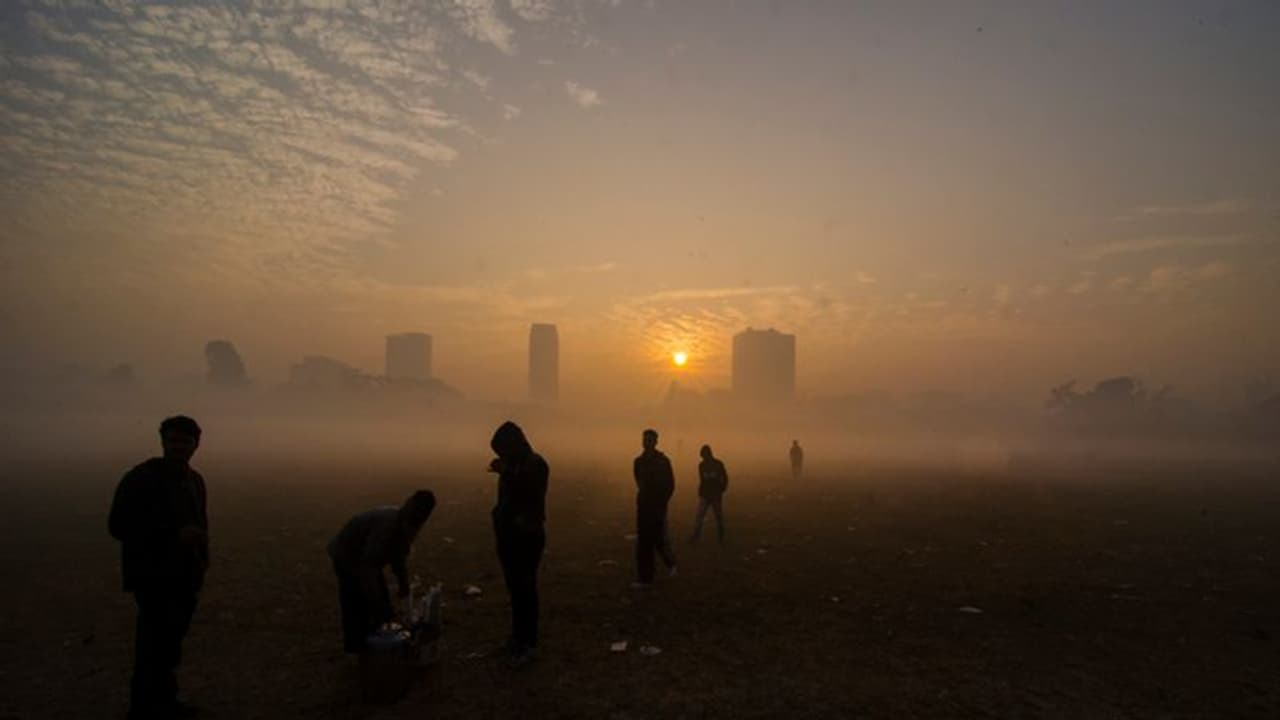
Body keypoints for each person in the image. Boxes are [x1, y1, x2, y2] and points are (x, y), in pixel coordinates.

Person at [108, 415, 209, 720]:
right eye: (174, 440)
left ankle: (165, 702)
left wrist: (201, 563)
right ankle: (143, 708)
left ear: (196, 445)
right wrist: (172, 535)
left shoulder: (194, 480)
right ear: (163, 442)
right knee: (153, 643)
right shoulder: (142, 478)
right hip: (153, 575)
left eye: (185, 441)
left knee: (170, 643)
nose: (179, 447)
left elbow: (200, 523)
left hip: (185, 575)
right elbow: (118, 525)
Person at [328, 490, 436, 655]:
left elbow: (398, 555)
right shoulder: (387, 526)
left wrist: (403, 582)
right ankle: (360, 649)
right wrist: (377, 603)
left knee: (380, 601)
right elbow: (367, 568)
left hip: (367, 559)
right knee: (356, 601)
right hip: (347, 555)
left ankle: (378, 642)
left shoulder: (409, 522)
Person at [488, 421, 549, 668]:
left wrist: (506, 472)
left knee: (525, 589)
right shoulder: (514, 466)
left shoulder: (535, 464)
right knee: (515, 591)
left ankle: (529, 643)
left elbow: (529, 493)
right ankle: (517, 637)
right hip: (508, 536)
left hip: (527, 537)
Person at [633, 428, 677, 587]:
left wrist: (661, 502)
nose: (647, 443)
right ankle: (646, 577)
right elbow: (638, 481)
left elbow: (670, 485)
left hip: (657, 507)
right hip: (643, 506)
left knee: (657, 538)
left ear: (656, 442)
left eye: (650, 440)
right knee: (644, 541)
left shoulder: (663, 462)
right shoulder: (638, 461)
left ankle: (670, 563)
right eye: (645, 440)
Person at [690, 444, 728, 545]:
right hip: (708, 494)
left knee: (716, 516)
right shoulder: (704, 465)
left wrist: (722, 488)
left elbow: (724, 477)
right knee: (702, 516)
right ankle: (697, 536)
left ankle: (720, 537)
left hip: (713, 494)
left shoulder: (716, 464)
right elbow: (703, 480)